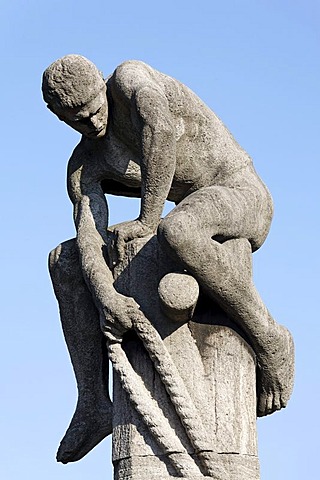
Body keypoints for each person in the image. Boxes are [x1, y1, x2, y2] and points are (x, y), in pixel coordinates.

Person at [43, 54, 294, 463]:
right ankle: (92, 403)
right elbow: (88, 233)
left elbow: (160, 131)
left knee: (177, 230)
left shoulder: (130, 81)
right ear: (59, 117)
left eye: (93, 110)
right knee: (65, 261)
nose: (90, 123)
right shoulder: (83, 164)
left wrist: (147, 219)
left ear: (102, 87)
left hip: (239, 194)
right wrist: (106, 295)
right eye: (76, 119)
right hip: (183, 211)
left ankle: (271, 339)